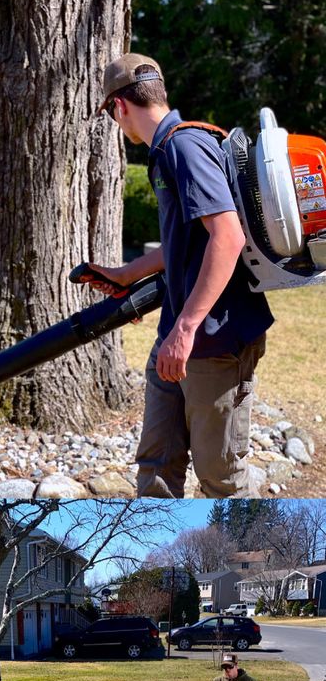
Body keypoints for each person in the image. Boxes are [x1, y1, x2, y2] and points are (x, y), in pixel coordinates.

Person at [88, 54, 275, 499]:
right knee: (156, 467)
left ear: (119, 107)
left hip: (213, 340)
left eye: (114, 117)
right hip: (178, 337)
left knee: (220, 479)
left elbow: (226, 238)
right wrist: (125, 274)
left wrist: (186, 329)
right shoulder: (170, 148)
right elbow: (188, 241)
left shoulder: (182, 147)